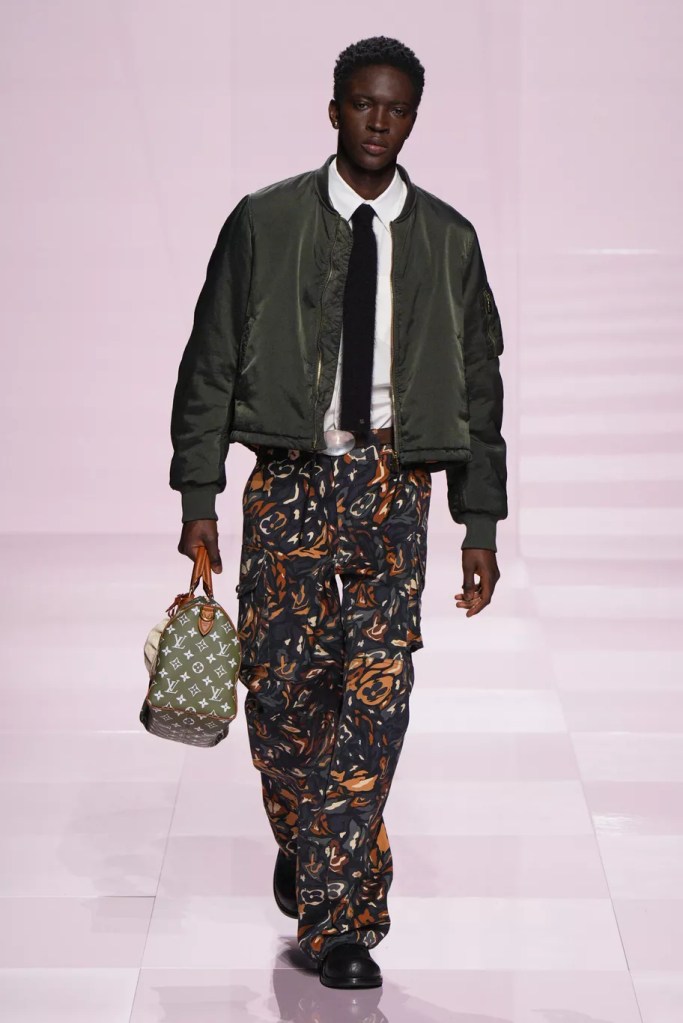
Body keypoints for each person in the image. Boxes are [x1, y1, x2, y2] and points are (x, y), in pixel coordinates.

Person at [170, 35, 507, 989]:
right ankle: (309, 838)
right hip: (287, 481)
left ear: (413, 119)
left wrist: (479, 522)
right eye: (362, 103)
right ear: (333, 110)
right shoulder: (264, 220)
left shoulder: (447, 240)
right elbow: (209, 356)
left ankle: (340, 919)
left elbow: (479, 384)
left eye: (395, 108)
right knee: (280, 702)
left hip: (393, 486)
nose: (377, 122)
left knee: (374, 700)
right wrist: (198, 493)